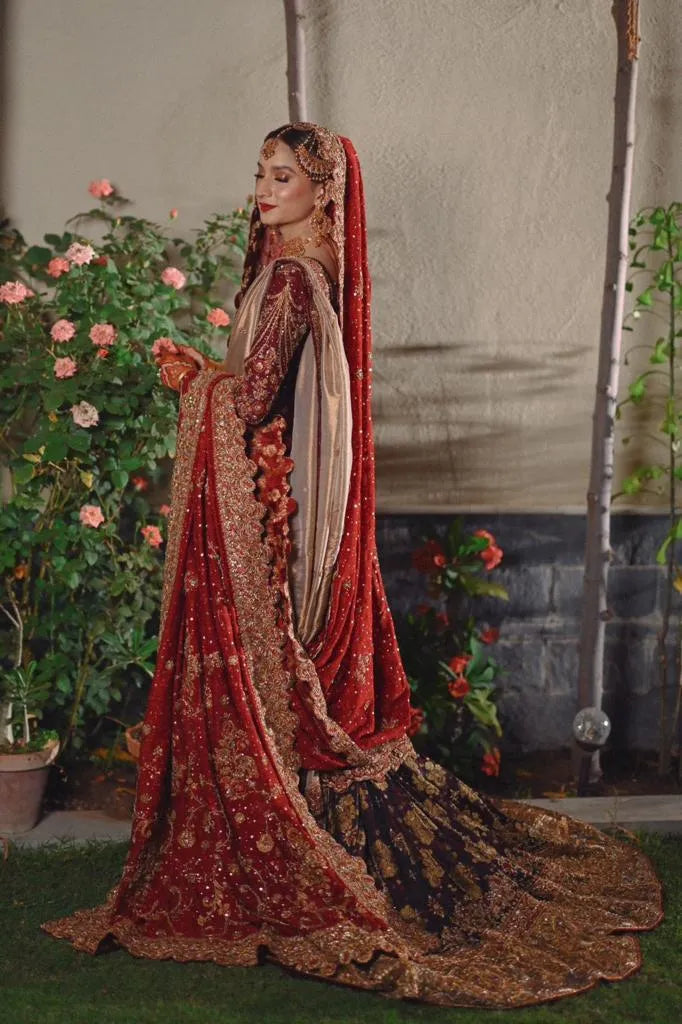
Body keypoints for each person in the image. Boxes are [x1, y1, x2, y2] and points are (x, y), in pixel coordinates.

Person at [43, 123, 662, 1008]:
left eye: (284, 175)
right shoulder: (309, 274)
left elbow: (251, 399)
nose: (264, 187)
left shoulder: (293, 279)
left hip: (278, 515)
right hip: (288, 503)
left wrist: (189, 378)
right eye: (259, 170)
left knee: (276, 685)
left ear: (322, 194)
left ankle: (295, 842)